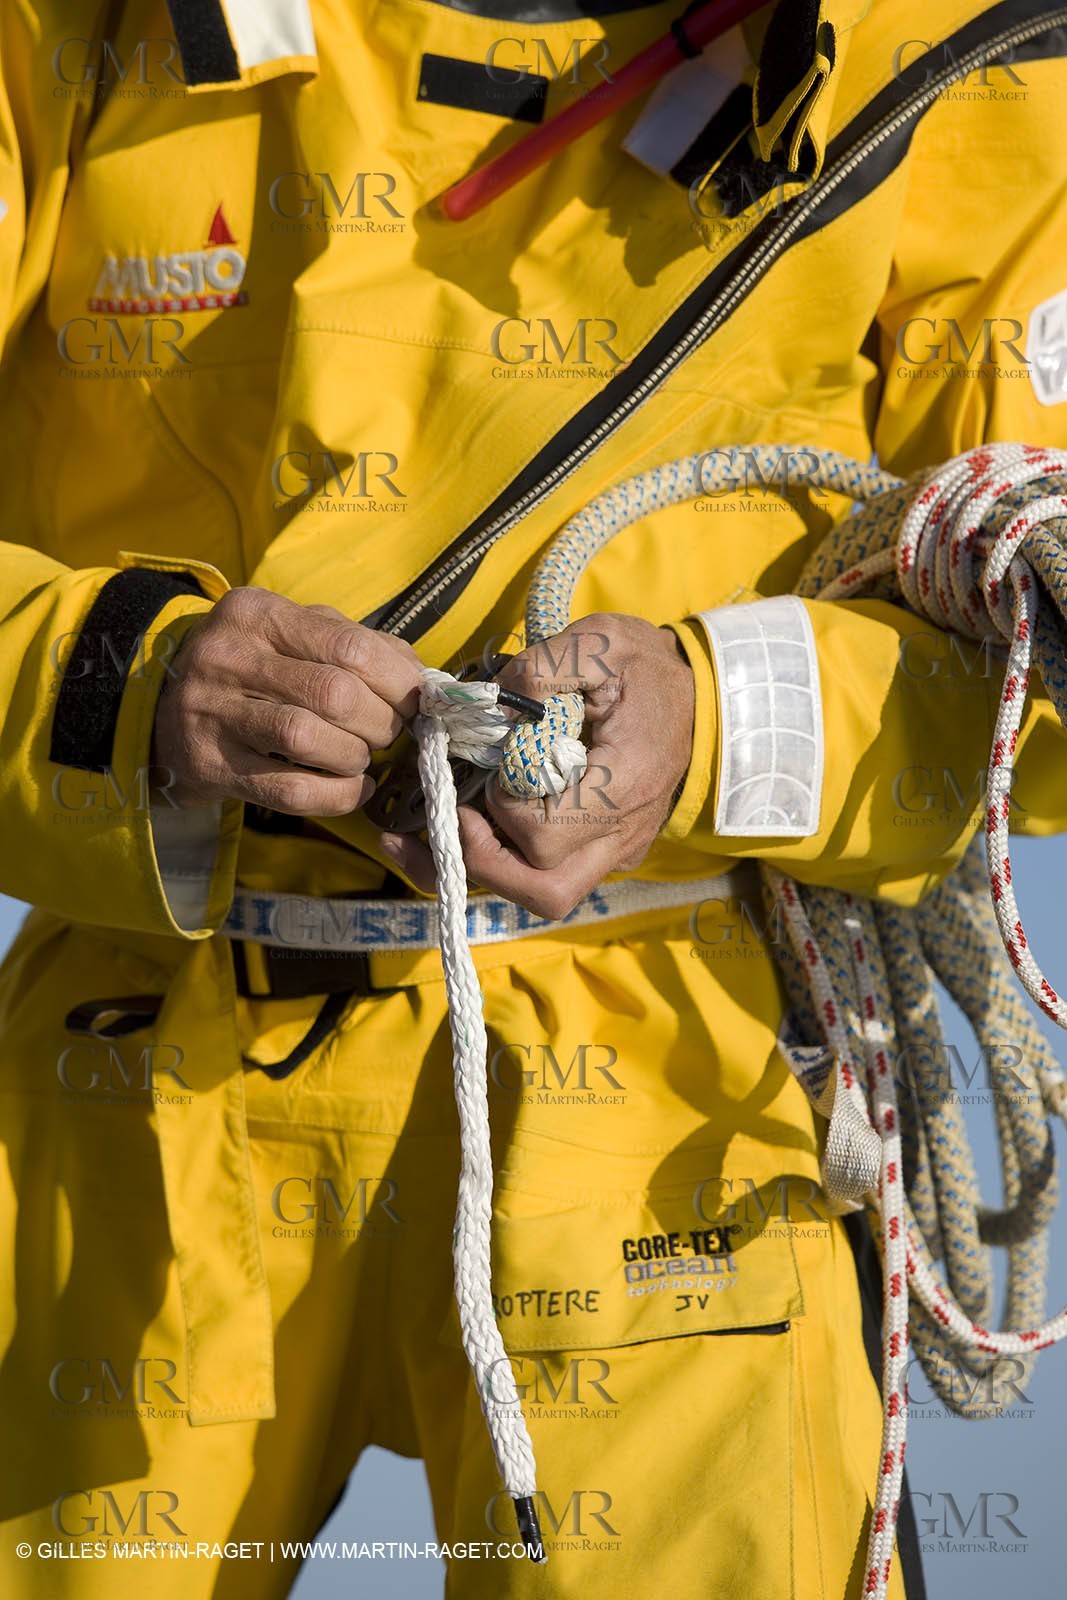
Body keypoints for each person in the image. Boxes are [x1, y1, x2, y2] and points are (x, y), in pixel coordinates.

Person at [1, 0, 1066, 1596]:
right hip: (130, 1084)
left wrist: (717, 720)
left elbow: (1033, 627)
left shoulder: (960, 44)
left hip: (678, 1090)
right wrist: (120, 687)